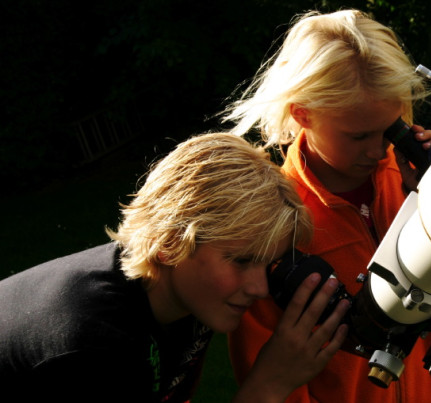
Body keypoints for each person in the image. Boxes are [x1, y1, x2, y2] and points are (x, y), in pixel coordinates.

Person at [0, 132, 350, 402]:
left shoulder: (185, 299)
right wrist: (268, 386)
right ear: (170, 243)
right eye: (241, 260)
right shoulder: (93, 347)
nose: (260, 288)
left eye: (267, 264)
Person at [221, 9, 431, 403]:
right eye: (359, 135)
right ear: (302, 112)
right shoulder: (272, 229)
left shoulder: (409, 181)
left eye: (390, 129)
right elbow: (270, 380)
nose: (380, 151)